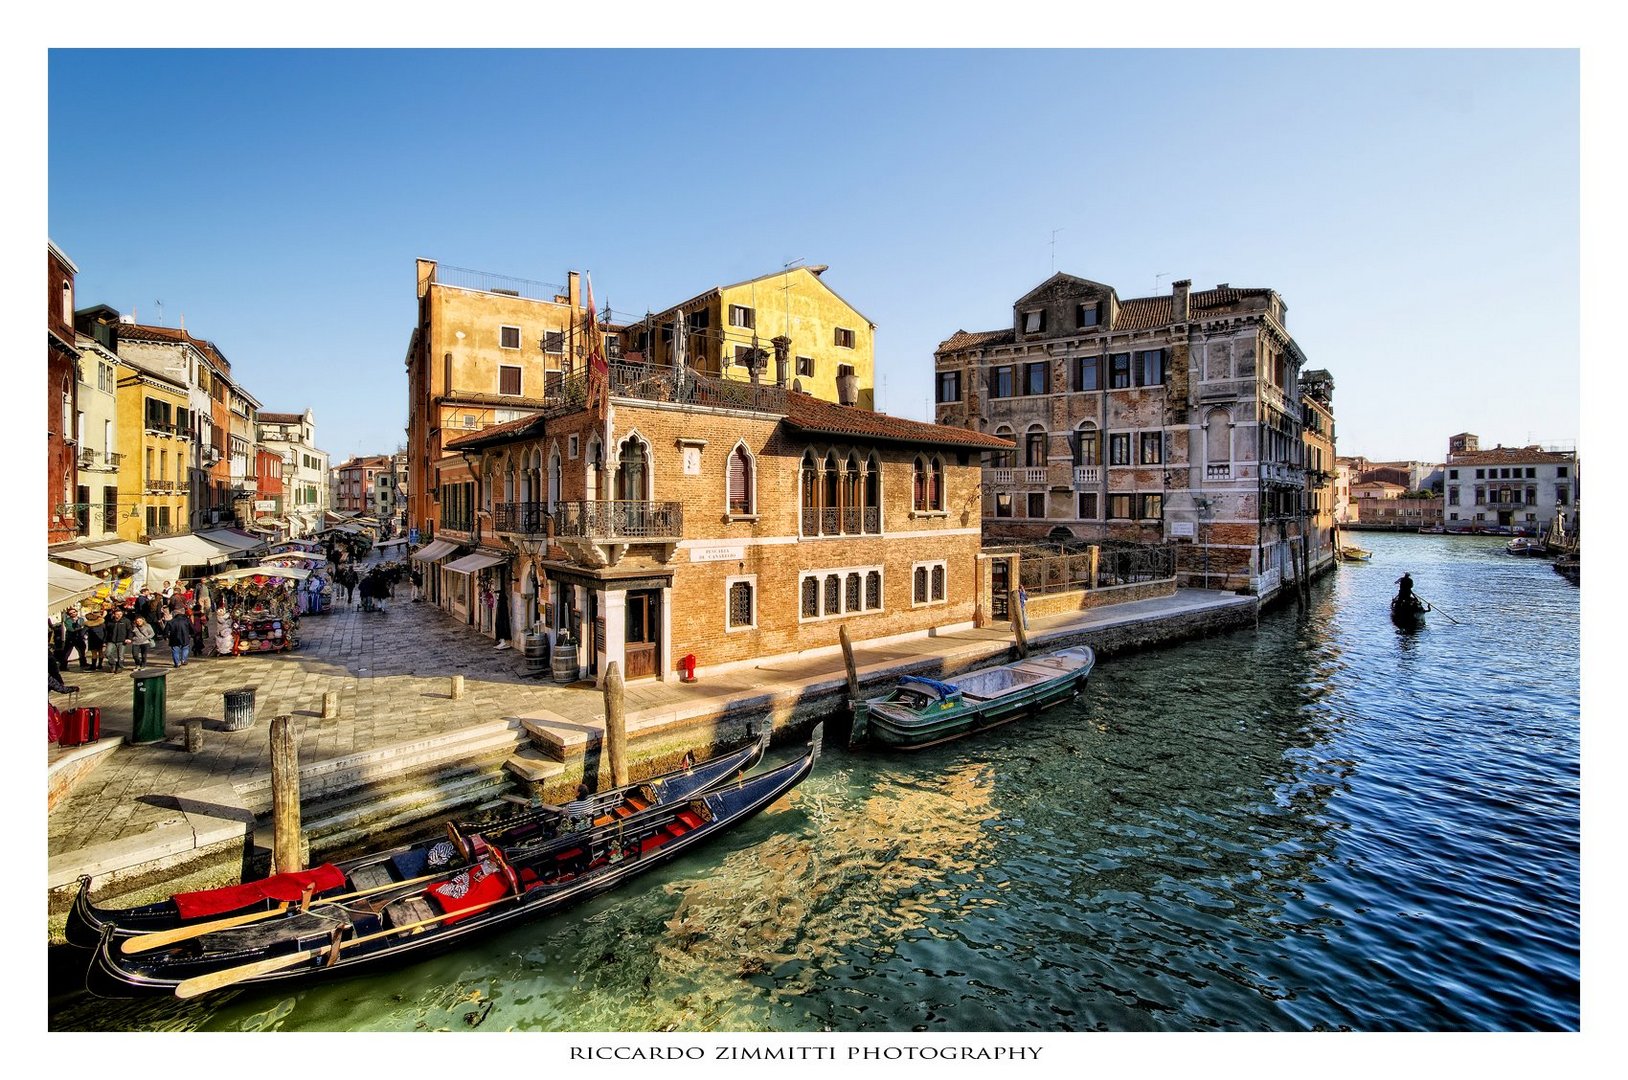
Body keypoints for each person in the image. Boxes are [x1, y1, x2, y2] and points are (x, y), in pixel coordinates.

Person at [105, 607, 132, 673]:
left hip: (122, 641)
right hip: (111, 640)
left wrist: (129, 638)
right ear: (114, 614)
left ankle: (120, 666)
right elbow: (106, 631)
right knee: (107, 653)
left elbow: (129, 630)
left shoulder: (126, 621)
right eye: (117, 614)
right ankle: (113, 664)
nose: (119, 615)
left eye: (120, 614)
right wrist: (104, 641)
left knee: (121, 656)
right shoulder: (110, 621)